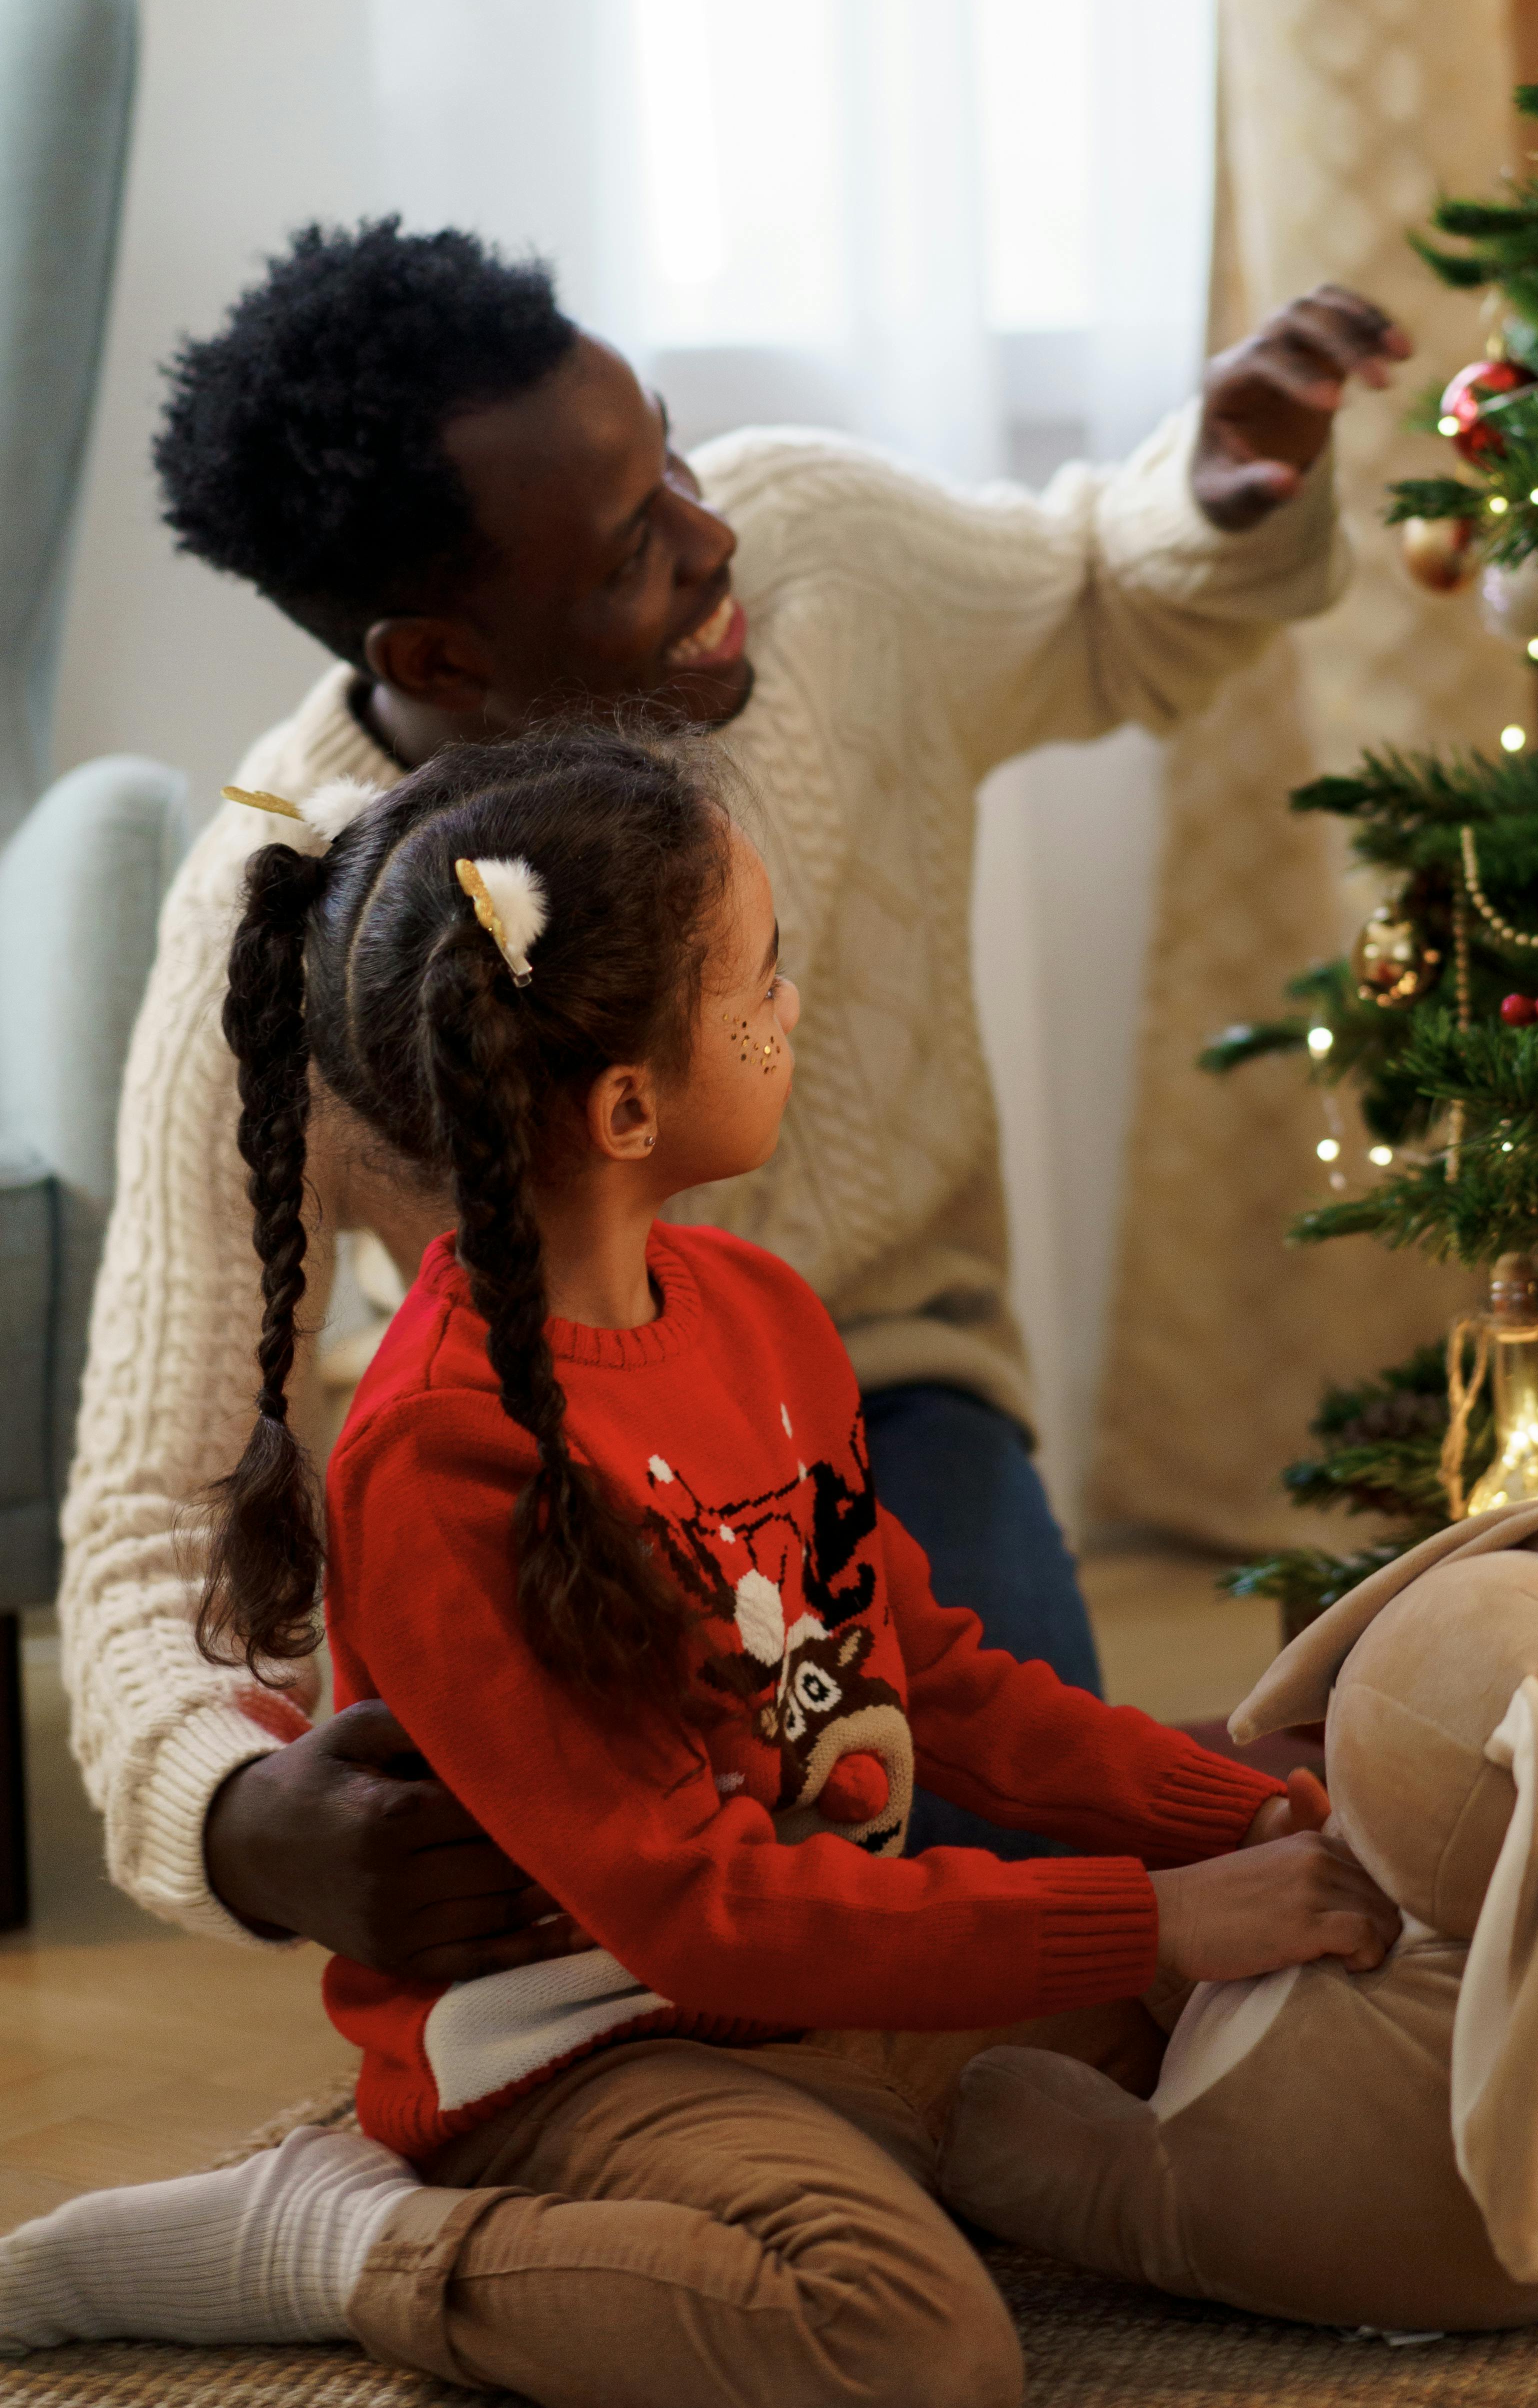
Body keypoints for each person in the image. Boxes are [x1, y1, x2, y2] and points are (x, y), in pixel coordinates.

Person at [59, 219, 1408, 1969]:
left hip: (884, 1390)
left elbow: (1095, 591)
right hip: (571, 1476)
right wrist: (235, 1819)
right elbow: (155, 1503)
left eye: (674, 453)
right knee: (700, 1957)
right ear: (444, 660)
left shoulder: (812, 551)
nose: (715, 536)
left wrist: (1213, 493)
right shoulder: (285, 908)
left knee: (1016, 1891)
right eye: (633, 551)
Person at [3, 731, 1400, 2404]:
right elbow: (701, 1912)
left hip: (818, 1975)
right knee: (908, 2347)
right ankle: (337, 2233)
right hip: (588, 2041)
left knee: (1289, 2045)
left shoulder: (759, 1314)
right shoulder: (444, 1456)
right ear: (627, 1104)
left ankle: (904, 2130)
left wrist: (1220, 1809)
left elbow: (925, 1674)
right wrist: (1151, 1917)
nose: (794, 1006)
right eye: (764, 974)